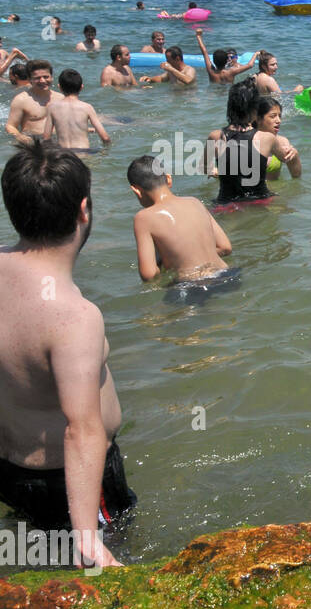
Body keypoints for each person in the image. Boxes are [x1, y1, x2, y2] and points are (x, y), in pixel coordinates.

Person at [0, 141, 132, 567]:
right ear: (83, 210)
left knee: (31, 562)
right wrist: (87, 537)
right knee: (100, 578)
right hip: (72, 481)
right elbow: (82, 429)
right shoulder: (74, 317)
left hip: (12, 470)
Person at [128, 154, 234, 284]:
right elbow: (225, 247)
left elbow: (149, 274)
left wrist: (173, 264)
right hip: (228, 275)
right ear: (169, 179)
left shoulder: (143, 218)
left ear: (136, 191)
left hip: (192, 286)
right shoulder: (194, 202)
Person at [206, 79, 272, 206]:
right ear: (255, 109)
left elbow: (204, 167)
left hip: (226, 203)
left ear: (230, 106)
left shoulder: (215, 136)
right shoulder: (267, 138)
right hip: (260, 201)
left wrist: (215, 170)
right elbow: (287, 155)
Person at [42, 69, 110, 150]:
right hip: (83, 152)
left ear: (59, 87)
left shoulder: (52, 107)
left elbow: (46, 138)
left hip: (63, 154)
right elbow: (105, 137)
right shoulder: (87, 107)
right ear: (81, 87)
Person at [5, 59, 56, 143]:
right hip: (33, 143)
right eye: (37, 78)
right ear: (30, 79)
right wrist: (19, 136)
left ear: (51, 77)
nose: (42, 80)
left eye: (46, 77)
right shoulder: (21, 100)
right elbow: (10, 126)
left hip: (56, 141)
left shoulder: (61, 98)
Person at [252, 98, 302, 178]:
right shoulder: (248, 140)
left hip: (276, 189)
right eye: (273, 116)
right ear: (258, 119)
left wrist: (295, 157)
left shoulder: (282, 141)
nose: (278, 120)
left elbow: (296, 176)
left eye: (279, 116)